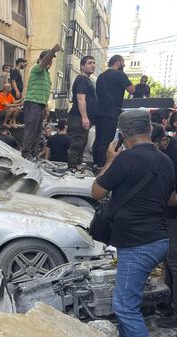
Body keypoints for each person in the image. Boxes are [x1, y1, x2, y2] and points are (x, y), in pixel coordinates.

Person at [91, 109, 175, 337]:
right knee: (130, 300)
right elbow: (169, 197)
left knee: (124, 307)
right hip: (158, 239)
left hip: (137, 243)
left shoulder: (126, 158)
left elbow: (96, 191)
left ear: (123, 133)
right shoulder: (164, 160)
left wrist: (110, 160)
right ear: (149, 129)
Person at [151, 124, 177, 328]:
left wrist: (151, 198)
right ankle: (166, 304)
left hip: (173, 217)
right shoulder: (161, 154)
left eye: (152, 146)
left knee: (174, 263)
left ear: (164, 141)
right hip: (165, 216)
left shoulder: (174, 156)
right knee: (168, 263)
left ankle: (174, 313)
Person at [93, 55, 135, 168]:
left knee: (98, 138)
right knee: (106, 140)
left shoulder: (101, 76)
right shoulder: (120, 75)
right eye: (123, 63)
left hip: (99, 112)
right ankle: (102, 165)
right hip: (111, 113)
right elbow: (132, 89)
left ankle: (95, 163)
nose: (124, 65)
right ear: (117, 63)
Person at [21, 44, 62, 159]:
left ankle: (33, 152)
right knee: (31, 130)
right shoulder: (37, 68)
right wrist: (53, 50)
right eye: (49, 59)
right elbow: (44, 62)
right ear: (42, 59)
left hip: (40, 104)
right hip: (32, 102)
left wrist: (46, 107)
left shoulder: (47, 75)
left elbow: (44, 93)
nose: (50, 62)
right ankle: (26, 153)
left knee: (38, 131)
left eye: (51, 61)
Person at [68, 56, 98, 169]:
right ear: (82, 66)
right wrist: (84, 117)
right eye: (90, 63)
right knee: (77, 142)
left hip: (84, 117)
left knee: (82, 142)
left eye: (94, 63)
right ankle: (72, 166)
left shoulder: (87, 80)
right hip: (78, 117)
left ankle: (78, 164)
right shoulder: (81, 79)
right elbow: (81, 99)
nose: (93, 65)